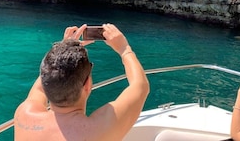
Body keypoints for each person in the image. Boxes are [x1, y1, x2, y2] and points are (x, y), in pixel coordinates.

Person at [14, 23, 150, 141]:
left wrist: (63, 48)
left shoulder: (24, 115)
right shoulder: (98, 130)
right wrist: (124, 49)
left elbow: (42, 83)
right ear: (88, 85)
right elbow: (140, 86)